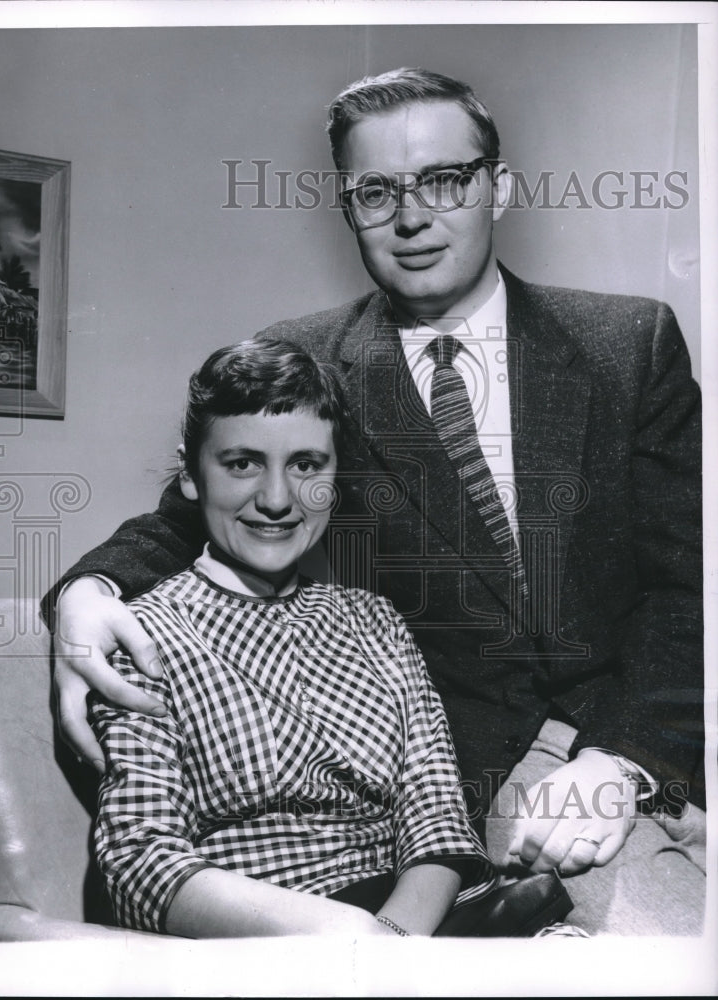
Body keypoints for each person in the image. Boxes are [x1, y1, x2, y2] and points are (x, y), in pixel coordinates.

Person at [46, 68, 704, 935]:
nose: (412, 215)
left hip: (634, 747)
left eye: (444, 179)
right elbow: (193, 517)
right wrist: (85, 595)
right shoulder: (307, 359)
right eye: (375, 191)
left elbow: (685, 585)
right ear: (346, 207)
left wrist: (619, 758)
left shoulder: (627, 342)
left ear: (497, 187)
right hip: (458, 799)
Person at [90, 338, 500, 938]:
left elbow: (435, 814)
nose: (278, 500)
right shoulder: (145, 634)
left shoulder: (375, 621)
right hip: (265, 941)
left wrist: (389, 945)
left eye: (306, 465)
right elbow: (139, 861)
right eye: (242, 463)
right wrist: (346, 940)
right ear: (190, 474)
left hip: (417, 930)